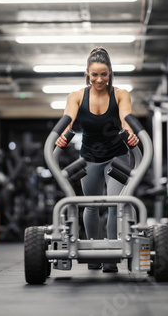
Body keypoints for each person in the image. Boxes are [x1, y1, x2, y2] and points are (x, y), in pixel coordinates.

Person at [55, 47, 139, 272]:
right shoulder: (76, 97)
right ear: (87, 74)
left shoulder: (121, 94)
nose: (99, 79)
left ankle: (111, 255)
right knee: (91, 206)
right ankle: (92, 251)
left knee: (114, 204)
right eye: (94, 75)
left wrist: (130, 132)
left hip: (118, 157)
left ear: (110, 73)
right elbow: (68, 120)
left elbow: (126, 119)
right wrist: (62, 135)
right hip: (89, 158)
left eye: (104, 74)